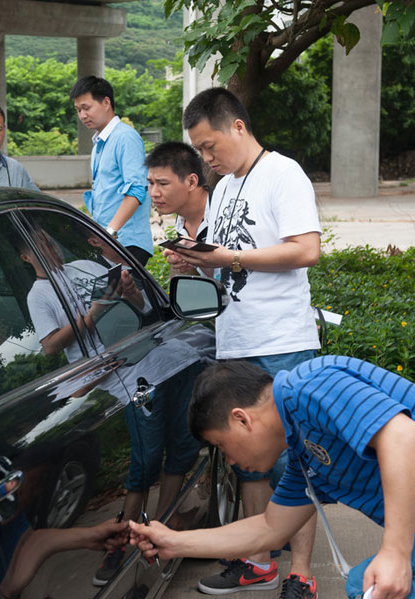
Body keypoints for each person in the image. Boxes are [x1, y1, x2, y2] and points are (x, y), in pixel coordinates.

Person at [130, 356, 415, 599]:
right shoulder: (302, 451)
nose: (229, 458)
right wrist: (176, 541)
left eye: (222, 447)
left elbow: (400, 434)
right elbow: (269, 528)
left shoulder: (308, 385)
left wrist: (394, 552)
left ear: (241, 419)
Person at [161, 87, 322, 596]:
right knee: (246, 460)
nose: (205, 159)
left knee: (294, 459)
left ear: (236, 126)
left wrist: (226, 258)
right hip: (234, 340)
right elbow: (225, 259)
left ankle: (301, 572)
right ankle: (258, 561)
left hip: (280, 339)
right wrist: (192, 260)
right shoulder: (225, 188)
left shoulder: (283, 173)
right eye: (199, 150)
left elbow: (306, 250)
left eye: (209, 147)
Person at [70, 76, 152, 267]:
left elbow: (137, 190)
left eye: (86, 108)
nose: (82, 115)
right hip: (110, 242)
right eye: (78, 110)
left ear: (106, 102)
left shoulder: (125, 138)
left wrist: (110, 232)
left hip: (126, 242)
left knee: (116, 296)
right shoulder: (100, 141)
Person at [145, 141, 210, 276]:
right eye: (151, 183)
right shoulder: (181, 222)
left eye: (163, 183)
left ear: (191, 182)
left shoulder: (227, 210)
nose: (154, 193)